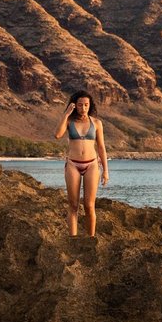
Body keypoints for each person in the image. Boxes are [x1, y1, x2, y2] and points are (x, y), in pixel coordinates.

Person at [54, 91, 108, 237]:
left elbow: (101, 147)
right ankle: (73, 240)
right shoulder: (69, 121)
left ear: (90, 106)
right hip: (73, 164)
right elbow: (57, 135)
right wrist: (66, 114)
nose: (83, 108)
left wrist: (106, 171)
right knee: (73, 206)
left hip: (92, 165)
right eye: (80, 105)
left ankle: (91, 239)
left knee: (89, 205)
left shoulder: (96, 123)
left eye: (86, 105)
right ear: (74, 105)